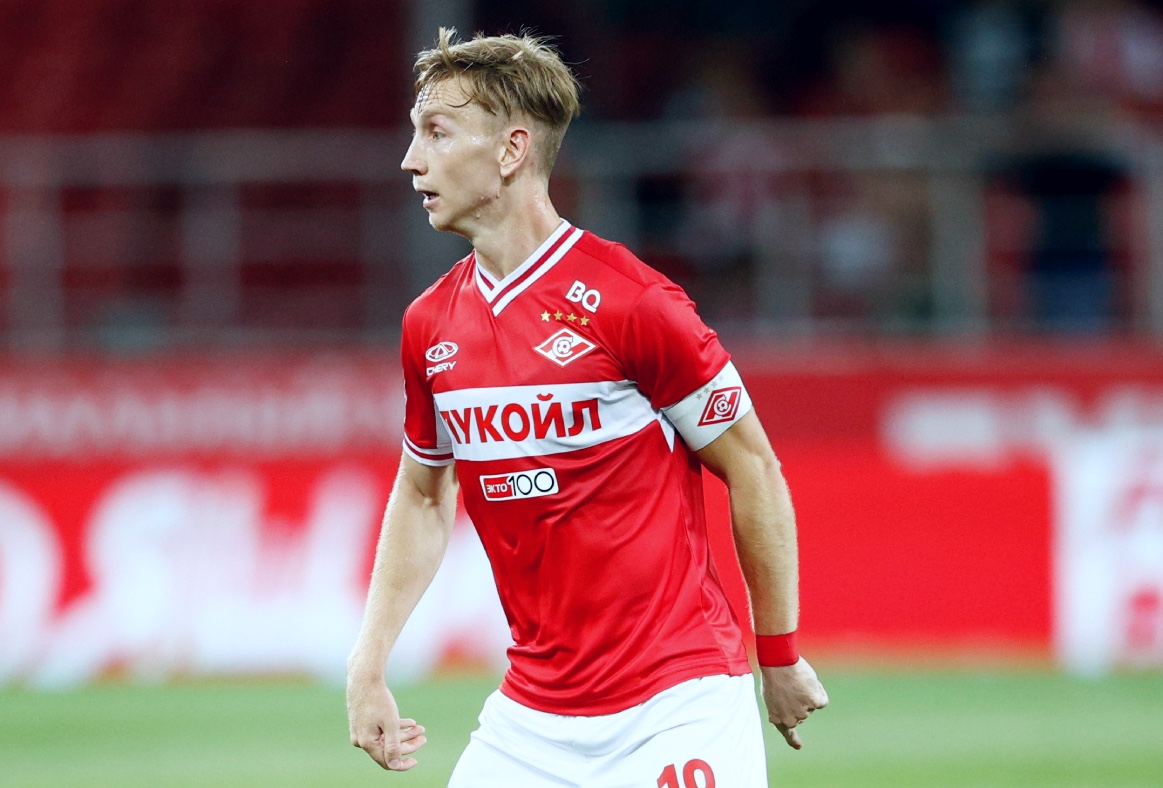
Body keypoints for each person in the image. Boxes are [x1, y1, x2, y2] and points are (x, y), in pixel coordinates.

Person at [346, 28, 828, 786]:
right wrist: (368, 664)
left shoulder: (634, 303)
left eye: (437, 133)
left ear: (511, 150)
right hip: (531, 723)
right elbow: (424, 492)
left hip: (676, 701)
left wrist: (779, 654)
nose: (412, 159)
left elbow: (753, 467)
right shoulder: (429, 325)